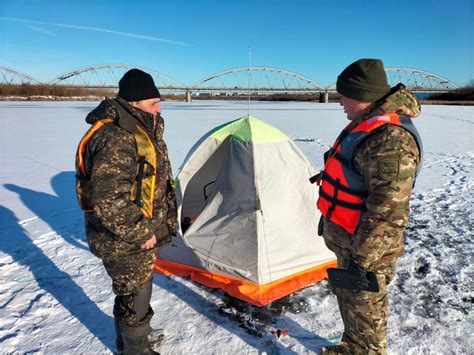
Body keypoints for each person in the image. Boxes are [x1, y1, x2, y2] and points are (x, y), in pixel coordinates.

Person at [316, 59, 422, 354]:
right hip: (352, 243)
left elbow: (388, 212)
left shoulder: (390, 141)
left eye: (344, 95)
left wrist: (363, 260)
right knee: (354, 311)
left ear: (363, 96)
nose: (340, 102)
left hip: (366, 252)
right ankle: (352, 348)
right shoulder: (366, 128)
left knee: (367, 318)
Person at [75, 68, 177, 354]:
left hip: (135, 233)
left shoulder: (139, 128)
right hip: (126, 238)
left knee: (132, 291)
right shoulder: (116, 137)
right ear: (133, 103)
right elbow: (109, 200)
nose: (159, 108)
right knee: (137, 294)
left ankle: (130, 342)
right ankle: (137, 349)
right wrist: (142, 232)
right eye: (153, 103)